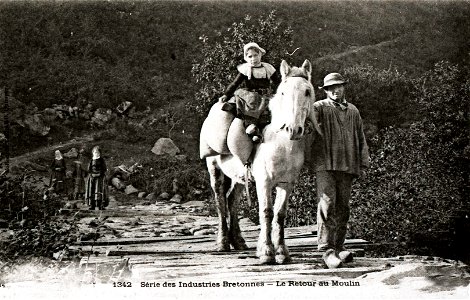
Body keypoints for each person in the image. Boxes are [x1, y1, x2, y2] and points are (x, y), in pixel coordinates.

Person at [309, 73, 370, 268]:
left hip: (348, 164)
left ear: (344, 88)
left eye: (339, 87)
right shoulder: (318, 108)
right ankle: (326, 250)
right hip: (325, 163)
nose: (336, 91)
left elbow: (361, 138)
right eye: (331, 88)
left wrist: (363, 163)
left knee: (343, 206)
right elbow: (306, 125)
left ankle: (339, 246)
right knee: (327, 204)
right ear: (326, 91)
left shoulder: (353, 110)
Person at [219, 42, 281, 143]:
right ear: (246, 58)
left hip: (265, 95)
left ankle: (270, 132)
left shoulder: (268, 68)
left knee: (272, 108)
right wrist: (226, 94)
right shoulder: (246, 69)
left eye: (256, 55)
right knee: (250, 105)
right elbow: (235, 84)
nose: (253, 59)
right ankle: (252, 129)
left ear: (260, 54)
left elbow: (278, 82)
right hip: (250, 95)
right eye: (250, 56)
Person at [85, 146, 108, 210]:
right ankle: (92, 205)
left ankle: (100, 205)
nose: (96, 153)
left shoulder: (102, 160)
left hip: (100, 178)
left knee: (99, 190)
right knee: (91, 190)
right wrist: (92, 174)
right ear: (93, 153)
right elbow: (89, 169)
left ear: (99, 153)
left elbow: (104, 169)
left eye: (97, 152)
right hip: (92, 177)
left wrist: (99, 173)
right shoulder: (91, 160)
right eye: (95, 152)